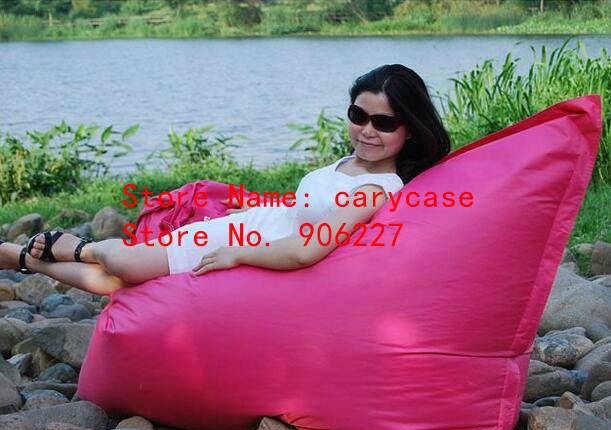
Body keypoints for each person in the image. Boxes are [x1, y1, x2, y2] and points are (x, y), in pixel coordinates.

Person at [0, 64, 450, 297]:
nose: (367, 131)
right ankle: (47, 253)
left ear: (410, 129)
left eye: (384, 123)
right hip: (247, 229)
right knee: (129, 271)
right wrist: (261, 210)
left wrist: (238, 253)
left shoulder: (375, 189)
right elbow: (307, 208)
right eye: (358, 115)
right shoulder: (348, 164)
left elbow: (306, 248)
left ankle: (62, 250)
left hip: (247, 245)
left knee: (124, 276)